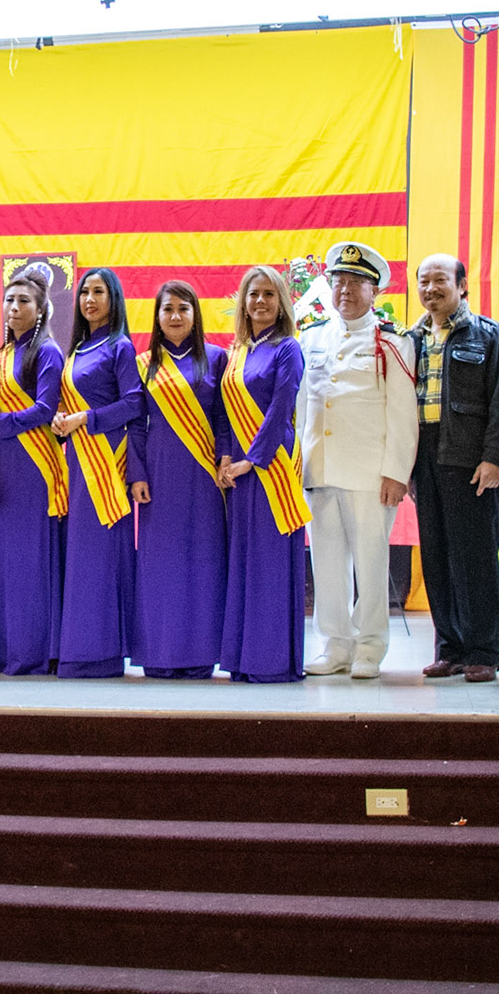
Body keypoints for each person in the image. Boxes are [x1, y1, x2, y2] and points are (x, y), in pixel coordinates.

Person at [297, 243, 416, 680]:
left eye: (355, 283)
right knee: (326, 564)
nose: (344, 290)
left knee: (370, 562)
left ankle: (369, 645)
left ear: (374, 290)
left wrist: (396, 472)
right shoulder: (311, 338)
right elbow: (302, 408)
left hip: (369, 473)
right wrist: (299, 464)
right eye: (338, 281)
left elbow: (402, 413)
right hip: (320, 468)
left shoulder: (392, 342)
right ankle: (334, 645)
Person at [408, 254, 499, 683]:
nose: (431, 289)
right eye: (424, 281)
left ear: (462, 285)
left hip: (468, 458)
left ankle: (483, 650)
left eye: (440, 280)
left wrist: (493, 458)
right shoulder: (410, 338)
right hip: (424, 457)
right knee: (436, 556)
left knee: (475, 556)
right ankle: (449, 648)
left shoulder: (487, 334)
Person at [129, 279, 229, 680]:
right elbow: (135, 424)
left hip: (205, 475)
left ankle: (201, 654)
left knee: (204, 562)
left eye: (183, 309)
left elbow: (224, 417)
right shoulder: (143, 364)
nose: (175, 316)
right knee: (161, 565)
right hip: (158, 475)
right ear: (157, 316)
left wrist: (225, 458)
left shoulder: (216, 359)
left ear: (195, 314)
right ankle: (160, 653)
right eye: (167, 309)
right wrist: (136, 472)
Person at [217, 264, 310, 683]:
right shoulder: (236, 351)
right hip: (238, 467)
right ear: (243, 301)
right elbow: (223, 413)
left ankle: (271, 661)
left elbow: (280, 409)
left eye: (269, 294)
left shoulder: (287, 348)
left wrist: (252, 460)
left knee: (270, 564)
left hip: (271, 465)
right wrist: (225, 457)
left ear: (282, 302)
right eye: (253, 294)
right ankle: (242, 658)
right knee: (243, 561)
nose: (260, 301)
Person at [51, 267, 142, 678]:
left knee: (101, 558)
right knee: (80, 559)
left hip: (105, 462)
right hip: (77, 461)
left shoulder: (119, 346)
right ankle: (79, 647)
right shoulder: (77, 349)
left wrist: (85, 418)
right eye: (85, 292)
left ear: (114, 298)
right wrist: (61, 418)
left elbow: (134, 403)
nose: (89, 299)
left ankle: (102, 653)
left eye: (99, 291)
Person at [0, 265, 67, 675]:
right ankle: (6, 648)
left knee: (29, 559)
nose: (13, 307)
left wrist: (3, 421)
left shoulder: (47, 351)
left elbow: (46, 409)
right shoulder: (1, 354)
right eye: (9, 300)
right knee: (4, 560)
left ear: (41, 309)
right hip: (1, 462)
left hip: (33, 463)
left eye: (23, 301)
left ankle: (33, 651)